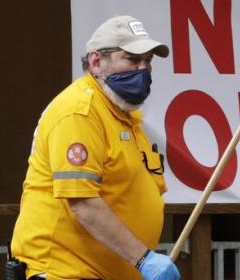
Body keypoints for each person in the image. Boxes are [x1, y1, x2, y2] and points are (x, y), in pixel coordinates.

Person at [10, 15, 180, 280]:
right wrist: (144, 259)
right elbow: (83, 202)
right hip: (65, 273)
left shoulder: (124, 116)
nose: (143, 70)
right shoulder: (80, 112)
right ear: (96, 62)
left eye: (148, 61)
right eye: (132, 59)